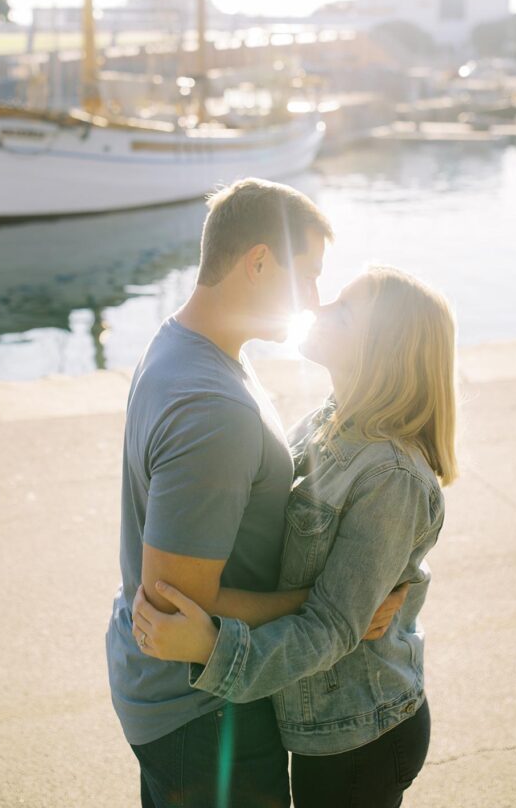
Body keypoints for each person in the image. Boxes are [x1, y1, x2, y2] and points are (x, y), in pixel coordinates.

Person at [106, 179, 408, 808]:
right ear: (260, 262)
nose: (317, 299)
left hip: (168, 698)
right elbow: (175, 604)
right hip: (203, 711)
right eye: (311, 275)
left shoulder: (183, 346)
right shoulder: (212, 407)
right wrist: (327, 605)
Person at [132, 265, 459, 808]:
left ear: (385, 347)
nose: (319, 308)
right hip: (323, 728)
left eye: (344, 309)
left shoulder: (390, 476)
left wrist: (213, 650)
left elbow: (332, 626)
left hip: (358, 735)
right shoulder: (327, 423)